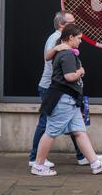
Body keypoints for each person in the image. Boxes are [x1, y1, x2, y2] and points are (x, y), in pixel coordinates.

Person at [31, 24, 102, 176]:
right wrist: (80, 72)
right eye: (79, 38)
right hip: (63, 100)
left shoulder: (64, 52)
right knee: (51, 132)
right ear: (70, 38)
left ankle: (95, 163)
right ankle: (38, 165)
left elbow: (49, 58)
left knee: (79, 131)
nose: (80, 41)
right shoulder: (67, 54)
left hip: (69, 100)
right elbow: (69, 77)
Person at [29, 10, 96, 167]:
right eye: (71, 23)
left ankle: (86, 157)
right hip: (54, 90)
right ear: (61, 25)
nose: (75, 25)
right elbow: (50, 60)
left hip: (65, 92)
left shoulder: (65, 44)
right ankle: (35, 160)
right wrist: (77, 72)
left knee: (76, 126)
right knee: (47, 125)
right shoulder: (56, 40)